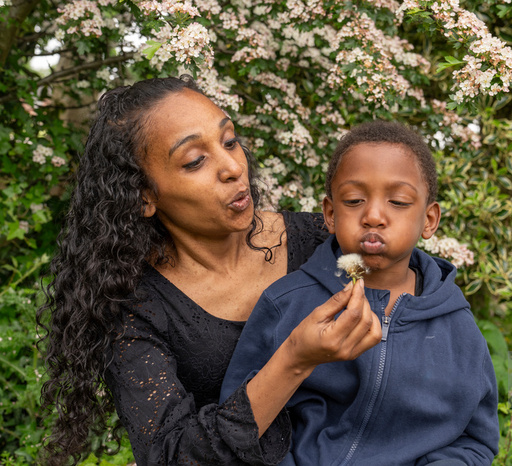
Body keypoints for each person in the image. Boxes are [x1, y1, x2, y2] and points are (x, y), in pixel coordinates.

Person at [37, 76, 382, 466]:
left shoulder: (324, 241)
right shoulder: (134, 307)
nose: (234, 167)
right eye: (195, 161)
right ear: (144, 196)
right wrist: (294, 360)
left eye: (230, 141)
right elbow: (170, 456)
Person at [220, 120, 500, 465]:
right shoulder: (288, 303)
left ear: (429, 220)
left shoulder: (457, 327)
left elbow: (475, 439)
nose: (373, 216)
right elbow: (241, 419)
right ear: (331, 214)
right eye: (354, 200)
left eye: (398, 202)